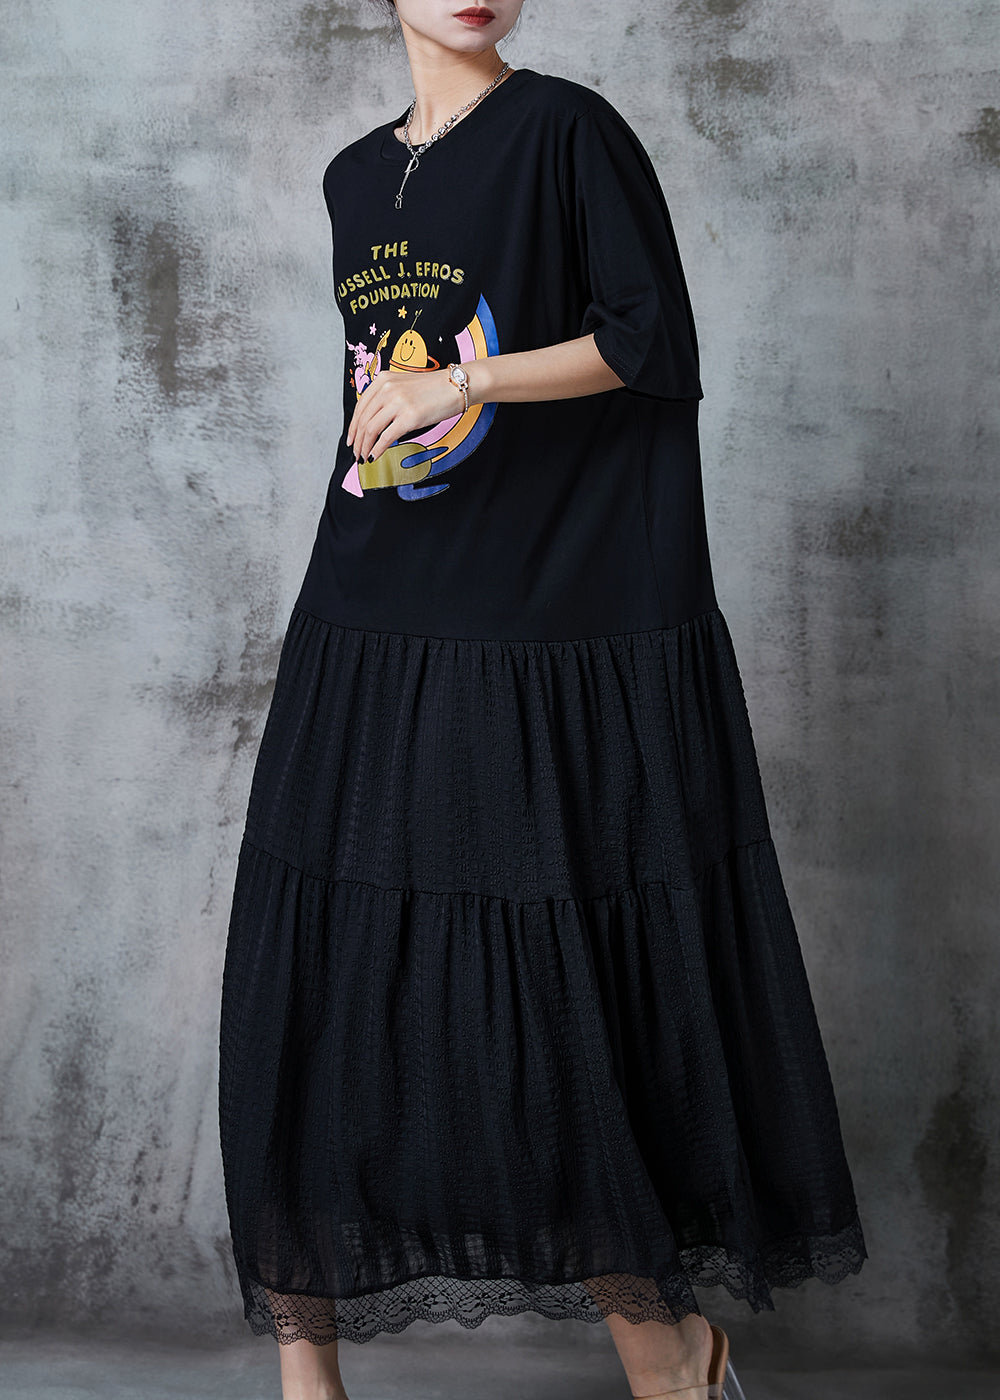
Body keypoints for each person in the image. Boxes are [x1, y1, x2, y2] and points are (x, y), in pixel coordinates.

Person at [217, 3, 868, 1399]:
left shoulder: (566, 129)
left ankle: (671, 1355)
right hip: (368, 600)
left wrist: (465, 379)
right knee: (318, 965)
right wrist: (408, 410)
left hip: (535, 612)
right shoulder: (351, 177)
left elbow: (645, 338)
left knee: (542, 974)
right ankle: (305, 1380)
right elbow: (373, 386)